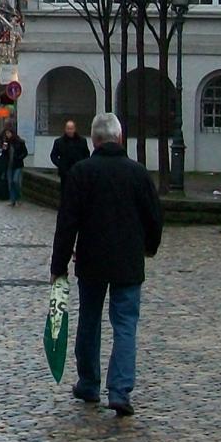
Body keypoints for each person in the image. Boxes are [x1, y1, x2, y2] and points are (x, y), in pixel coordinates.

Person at [50, 112, 164, 417]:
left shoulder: (81, 172)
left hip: (92, 259)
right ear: (120, 138)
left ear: (94, 140)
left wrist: (58, 265)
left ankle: (89, 383)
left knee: (89, 321)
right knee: (125, 324)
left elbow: (67, 223)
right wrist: (149, 247)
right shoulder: (138, 173)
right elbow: (154, 217)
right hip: (128, 260)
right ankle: (120, 389)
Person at [51, 119, 91, 191]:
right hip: (65, 173)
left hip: (79, 173)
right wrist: (60, 165)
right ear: (65, 129)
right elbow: (53, 156)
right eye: (68, 129)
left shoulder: (82, 141)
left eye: (71, 129)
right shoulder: (59, 142)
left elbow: (87, 155)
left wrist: (83, 166)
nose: (70, 131)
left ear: (75, 129)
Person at [2, 126, 30, 203]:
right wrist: (4, 149)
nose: (7, 135)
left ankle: (18, 197)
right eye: (6, 133)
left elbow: (25, 152)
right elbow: (4, 154)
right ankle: (12, 200)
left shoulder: (20, 142)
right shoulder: (6, 142)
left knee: (16, 181)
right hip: (9, 165)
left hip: (18, 165)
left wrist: (19, 158)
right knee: (10, 183)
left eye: (8, 133)